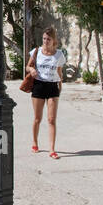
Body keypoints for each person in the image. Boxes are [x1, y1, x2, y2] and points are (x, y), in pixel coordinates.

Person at [26, 27, 66, 158]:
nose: (45, 41)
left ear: (54, 40)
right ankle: (35, 142)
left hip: (52, 86)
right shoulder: (36, 52)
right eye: (44, 38)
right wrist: (31, 70)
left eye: (48, 39)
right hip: (39, 85)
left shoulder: (59, 54)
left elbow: (59, 71)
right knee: (38, 118)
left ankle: (52, 149)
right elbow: (28, 66)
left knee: (51, 119)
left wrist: (60, 84)